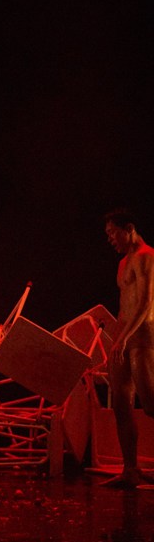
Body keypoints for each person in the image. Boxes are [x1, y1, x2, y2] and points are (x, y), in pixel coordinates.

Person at [101, 208, 154, 489]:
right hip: (125, 335)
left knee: (151, 402)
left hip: (144, 335)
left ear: (129, 228)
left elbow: (145, 303)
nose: (110, 239)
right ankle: (130, 469)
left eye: (113, 232)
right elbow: (124, 308)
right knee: (121, 403)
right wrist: (116, 340)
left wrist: (126, 337)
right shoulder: (123, 264)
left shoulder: (147, 256)